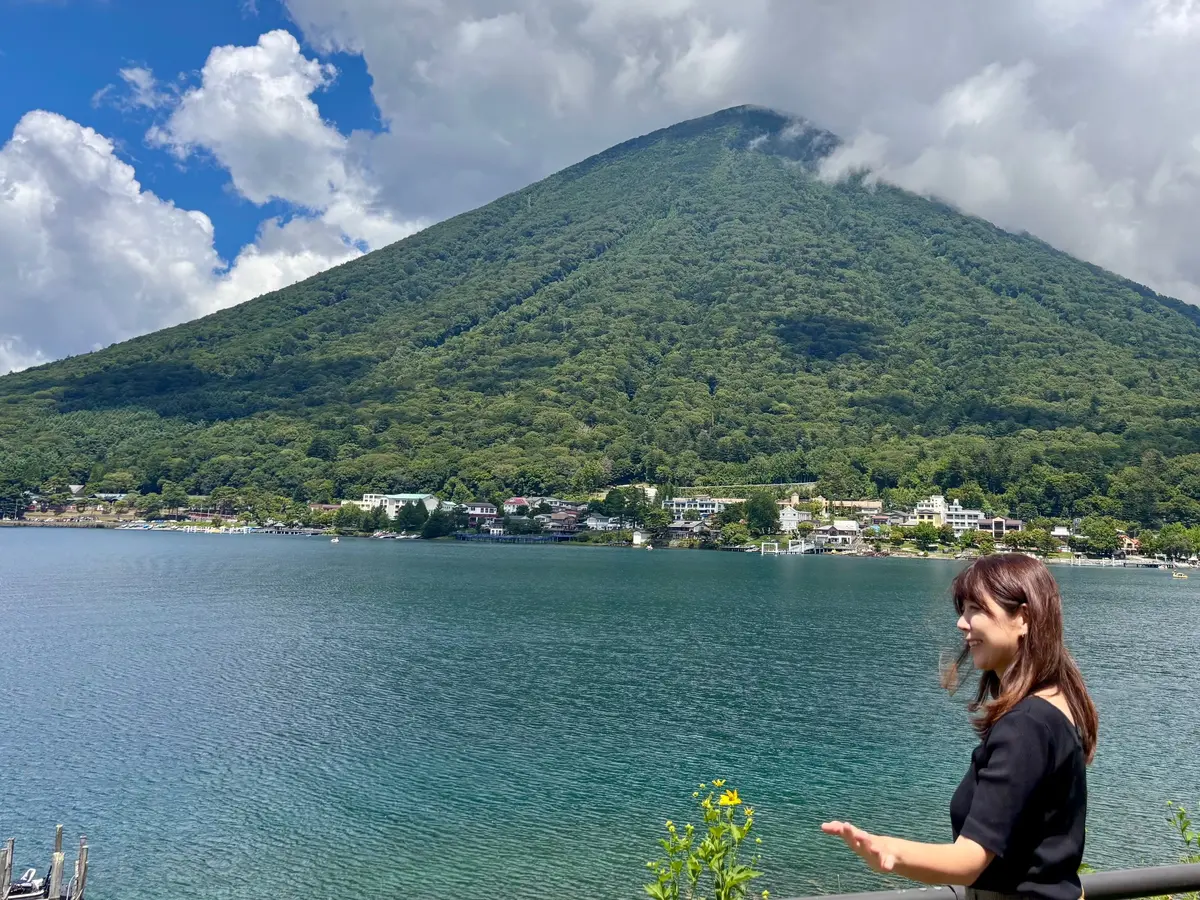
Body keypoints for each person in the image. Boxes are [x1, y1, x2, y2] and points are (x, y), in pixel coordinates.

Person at [822, 554, 1099, 900]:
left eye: (975, 609)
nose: (962, 623)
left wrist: (887, 851)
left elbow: (968, 860)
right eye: (963, 609)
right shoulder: (1056, 705)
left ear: (1023, 618)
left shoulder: (1026, 725)